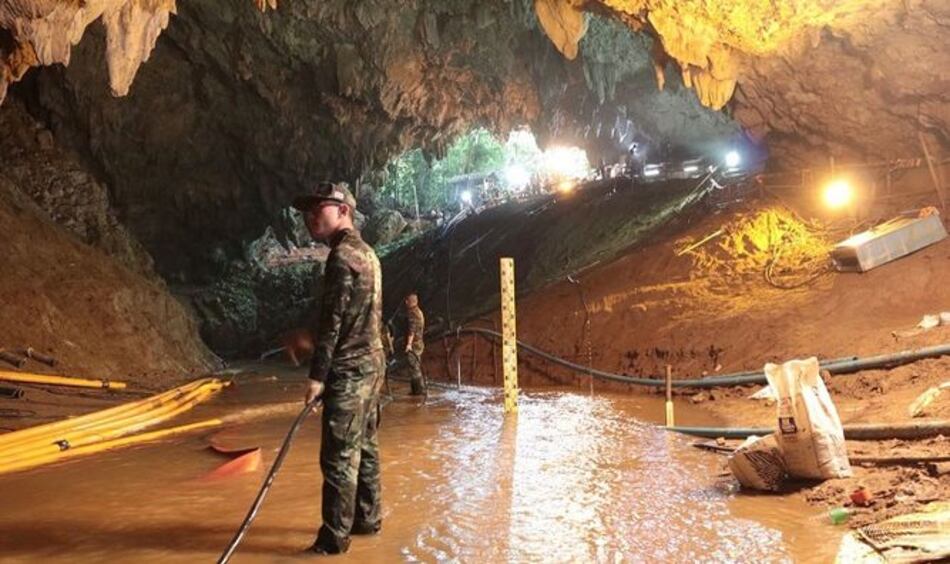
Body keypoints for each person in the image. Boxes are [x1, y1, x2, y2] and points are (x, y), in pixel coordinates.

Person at [293, 181, 385, 555]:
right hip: (372, 365)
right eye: (308, 211)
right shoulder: (368, 253)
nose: (311, 216)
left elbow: (333, 323)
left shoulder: (341, 257)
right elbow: (357, 318)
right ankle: (368, 518)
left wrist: (317, 377)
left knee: (337, 457)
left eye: (320, 209)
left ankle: (332, 541)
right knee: (365, 445)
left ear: (344, 210)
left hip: (349, 371)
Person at [403, 293, 426, 396]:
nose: (405, 303)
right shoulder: (419, 312)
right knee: (415, 366)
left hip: (415, 344)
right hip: (419, 342)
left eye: (407, 301)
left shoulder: (413, 313)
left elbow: (411, 330)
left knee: (414, 367)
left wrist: (409, 344)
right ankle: (416, 390)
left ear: (409, 301)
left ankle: (419, 390)